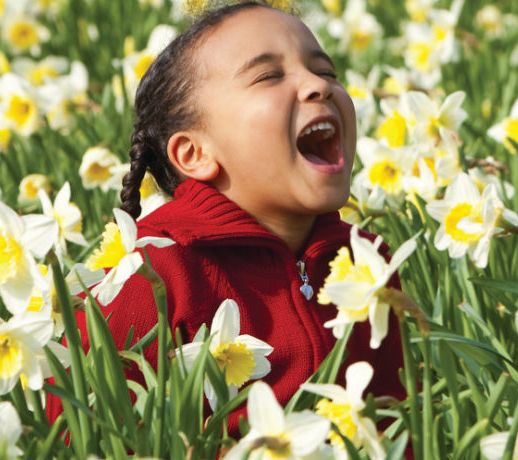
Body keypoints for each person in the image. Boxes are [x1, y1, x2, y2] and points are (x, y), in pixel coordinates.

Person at [47, 1, 407, 432]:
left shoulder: (367, 263)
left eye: (326, 72)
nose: (318, 85)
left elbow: (391, 424)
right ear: (195, 154)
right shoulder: (151, 275)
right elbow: (78, 432)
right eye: (269, 76)